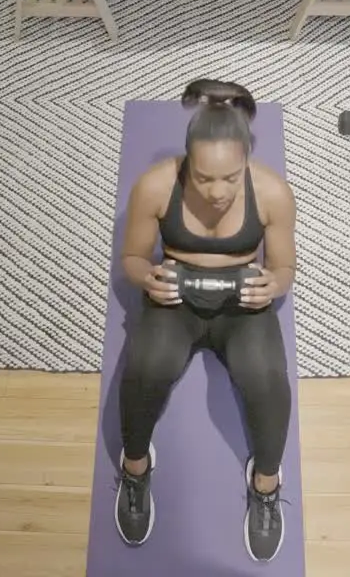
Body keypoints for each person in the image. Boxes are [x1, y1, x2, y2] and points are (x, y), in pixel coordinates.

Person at [114, 78, 298, 562]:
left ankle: (266, 483)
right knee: (145, 369)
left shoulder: (274, 193)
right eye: (203, 178)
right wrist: (147, 278)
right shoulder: (155, 185)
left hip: (242, 302)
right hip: (175, 295)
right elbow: (131, 257)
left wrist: (274, 285)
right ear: (187, 163)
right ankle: (135, 468)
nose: (217, 192)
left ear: (246, 165)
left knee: (268, 382)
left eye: (230, 179)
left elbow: (284, 267)